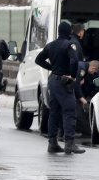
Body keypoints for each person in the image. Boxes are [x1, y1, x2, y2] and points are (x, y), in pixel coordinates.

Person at [34, 22, 86, 155]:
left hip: (53, 80)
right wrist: (73, 76)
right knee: (69, 111)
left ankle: (52, 143)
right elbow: (74, 61)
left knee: (54, 112)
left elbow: (38, 60)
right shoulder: (69, 45)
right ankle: (69, 143)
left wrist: (52, 68)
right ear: (69, 32)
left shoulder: (50, 45)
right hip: (64, 82)